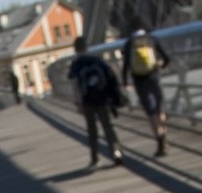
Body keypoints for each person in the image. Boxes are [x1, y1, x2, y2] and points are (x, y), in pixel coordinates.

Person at [67, 37, 124, 171]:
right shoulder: (96, 60)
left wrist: (78, 103)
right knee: (107, 126)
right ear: (86, 47)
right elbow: (110, 75)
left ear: (75, 49)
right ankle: (116, 152)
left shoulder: (76, 64)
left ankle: (95, 158)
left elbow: (75, 84)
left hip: (87, 100)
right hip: (102, 98)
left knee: (92, 129)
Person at [122, 22, 170, 156]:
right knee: (159, 108)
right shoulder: (152, 39)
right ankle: (164, 134)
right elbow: (167, 58)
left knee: (150, 111)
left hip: (139, 80)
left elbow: (126, 66)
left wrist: (125, 82)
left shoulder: (129, 43)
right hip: (154, 76)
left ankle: (159, 139)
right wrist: (160, 64)